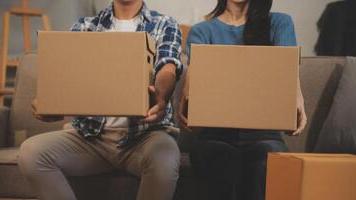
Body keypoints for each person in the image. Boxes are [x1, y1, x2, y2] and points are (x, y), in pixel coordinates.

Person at [18, 1, 183, 200]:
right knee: (31, 153)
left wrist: (161, 95)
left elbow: (168, 67)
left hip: (143, 139)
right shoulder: (85, 26)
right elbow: (66, 79)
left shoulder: (164, 24)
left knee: (165, 158)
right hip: (91, 138)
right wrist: (49, 102)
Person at [177, 0, 307, 199]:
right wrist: (187, 92)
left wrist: (297, 100)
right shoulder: (201, 31)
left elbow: (287, 69)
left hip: (265, 136)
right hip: (215, 136)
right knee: (223, 161)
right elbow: (194, 81)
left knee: (263, 162)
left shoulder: (279, 23)